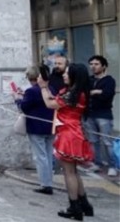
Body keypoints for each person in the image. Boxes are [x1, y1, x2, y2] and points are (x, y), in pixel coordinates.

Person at [37, 63, 95, 219]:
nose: (64, 75)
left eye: (67, 73)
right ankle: (84, 205)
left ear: (74, 76)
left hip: (68, 134)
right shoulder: (77, 93)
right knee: (74, 172)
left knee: (68, 173)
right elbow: (53, 99)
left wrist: (42, 87)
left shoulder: (72, 94)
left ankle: (74, 207)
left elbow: (50, 104)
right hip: (75, 133)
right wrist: (46, 87)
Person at [15, 66, 56, 194]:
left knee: (40, 156)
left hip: (36, 127)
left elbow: (24, 107)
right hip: (50, 126)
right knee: (48, 155)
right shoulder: (52, 89)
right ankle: (49, 181)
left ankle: (45, 184)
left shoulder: (31, 91)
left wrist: (17, 99)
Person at [84, 55, 116, 177]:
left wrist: (97, 92)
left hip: (104, 115)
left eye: (96, 64)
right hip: (90, 114)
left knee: (107, 141)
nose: (93, 66)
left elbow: (107, 95)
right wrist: (97, 92)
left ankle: (112, 165)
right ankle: (97, 163)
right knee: (93, 141)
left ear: (103, 66)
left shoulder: (109, 80)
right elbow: (85, 94)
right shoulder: (89, 80)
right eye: (91, 64)